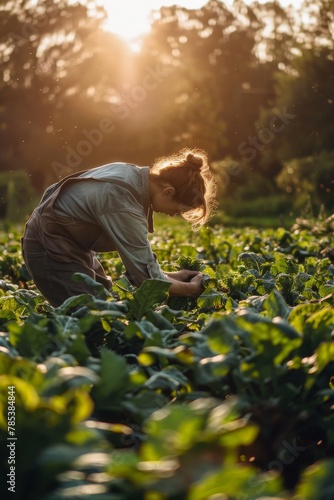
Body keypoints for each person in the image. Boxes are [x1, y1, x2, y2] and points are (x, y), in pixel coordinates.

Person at [21, 148, 217, 307]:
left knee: (103, 299)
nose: (174, 215)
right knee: (89, 314)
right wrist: (191, 289)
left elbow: (142, 269)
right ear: (168, 191)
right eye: (178, 209)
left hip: (71, 244)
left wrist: (173, 276)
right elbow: (147, 280)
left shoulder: (130, 173)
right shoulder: (124, 203)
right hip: (48, 245)